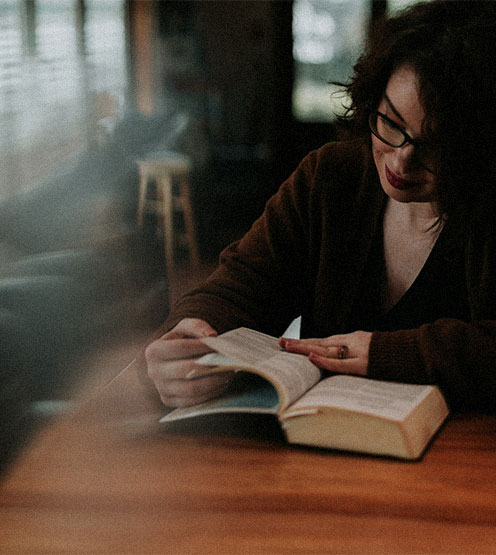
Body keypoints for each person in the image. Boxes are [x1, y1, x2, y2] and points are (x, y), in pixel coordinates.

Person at [145, 0, 496, 412]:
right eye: (391, 123)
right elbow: (241, 284)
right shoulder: (329, 180)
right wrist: (190, 338)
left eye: (435, 147)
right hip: (321, 451)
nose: (401, 161)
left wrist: (385, 354)